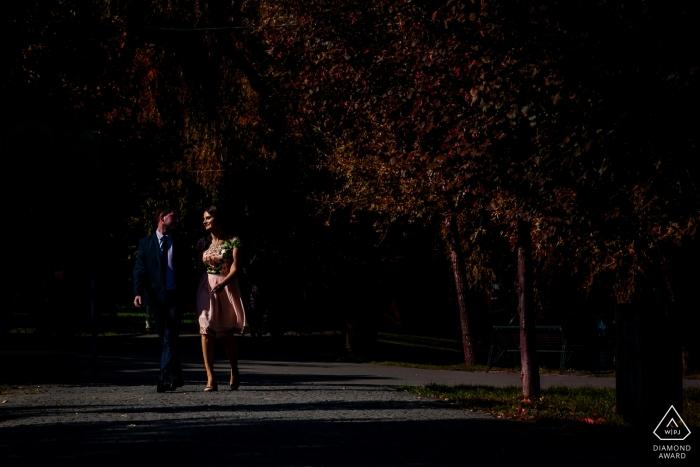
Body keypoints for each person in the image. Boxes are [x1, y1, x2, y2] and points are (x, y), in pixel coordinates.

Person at [133, 204, 191, 392]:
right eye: (174, 217)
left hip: (175, 297)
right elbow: (140, 270)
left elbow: (186, 270)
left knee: (169, 337)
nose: (177, 221)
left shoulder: (179, 241)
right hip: (155, 298)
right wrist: (138, 292)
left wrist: (189, 295)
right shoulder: (146, 243)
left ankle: (164, 378)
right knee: (166, 339)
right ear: (162, 217)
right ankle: (177, 376)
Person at [195, 205, 247, 391]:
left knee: (225, 335)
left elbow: (236, 267)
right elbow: (198, 270)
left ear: (218, 219)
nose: (204, 221)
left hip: (225, 286)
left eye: (208, 218)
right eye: (204, 218)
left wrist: (224, 284)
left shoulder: (233, 241)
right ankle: (211, 377)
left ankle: (234, 369)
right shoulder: (202, 243)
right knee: (205, 329)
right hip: (205, 287)